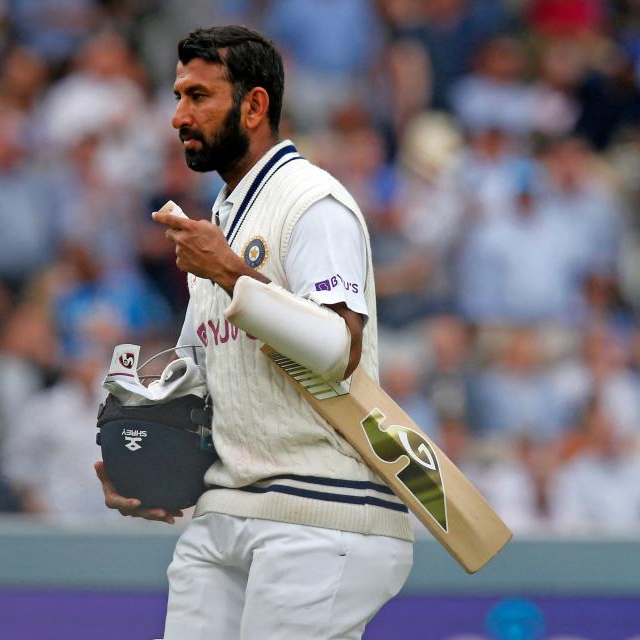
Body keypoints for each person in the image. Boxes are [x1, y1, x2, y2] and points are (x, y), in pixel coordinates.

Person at [95, 26, 413, 640]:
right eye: (178, 96)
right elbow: (197, 375)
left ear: (255, 105)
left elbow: (337, 350)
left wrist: (234, 273)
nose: (178, 116)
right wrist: (145, 459)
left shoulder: (313, 202)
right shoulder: (218, 220)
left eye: (198, 96)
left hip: (322, 509)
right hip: (228, 505)